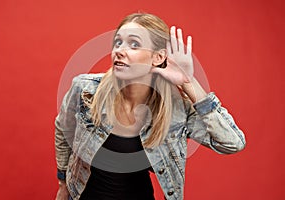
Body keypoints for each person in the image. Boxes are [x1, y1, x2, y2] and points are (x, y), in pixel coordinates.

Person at [55, 13, 246, 200]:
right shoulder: (86, 90)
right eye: (118, 42)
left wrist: (188, 83)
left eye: (134, 44)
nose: (119, 50)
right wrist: (63, 183)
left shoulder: (175, 109)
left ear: (158, 57)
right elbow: (63, 129)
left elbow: (232, 143)